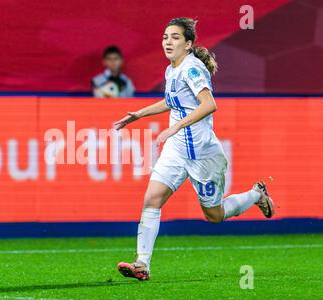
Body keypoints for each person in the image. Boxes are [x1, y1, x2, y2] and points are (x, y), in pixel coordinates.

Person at [113, 17, 275, 281]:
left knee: (214, 215)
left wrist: (176, 127)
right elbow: (172, 102)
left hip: (203, 155)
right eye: (166, 36)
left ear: (188, 44)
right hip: (177, 151)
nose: (168, 41)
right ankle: (142, 265)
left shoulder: (191, 69)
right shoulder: (171, 69)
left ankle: (256, 195)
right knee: (152, 200)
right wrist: (139, 114)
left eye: (175, 37)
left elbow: (208, 104)